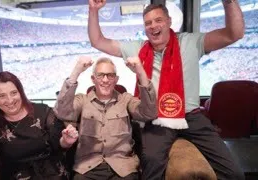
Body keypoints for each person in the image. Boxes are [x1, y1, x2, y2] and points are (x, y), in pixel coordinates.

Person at [87, 0, 245, 179]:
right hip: (157, 117)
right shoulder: (138, 48)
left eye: (158, 20)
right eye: (148, 23)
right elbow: (98, 41)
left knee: (234, 172)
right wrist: (93, 10)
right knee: (151, 162)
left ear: (169, 21)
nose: (153, 26)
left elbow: (234, 34)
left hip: (191, 116)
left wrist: (229, 2)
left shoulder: (191, 42)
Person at [54, 56, 157, 180]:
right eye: (100, 75)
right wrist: (76, 71)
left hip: (122, 168)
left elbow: (149, 113)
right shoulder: (82, 100)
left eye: (110, 75)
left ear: (116, 79)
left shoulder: (125, 100)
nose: (105, 80)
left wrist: (140, 72)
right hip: (87, 168)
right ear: (93, 79)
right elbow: (61, 112)